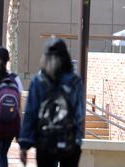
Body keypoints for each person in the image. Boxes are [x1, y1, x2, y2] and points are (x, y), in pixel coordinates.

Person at [19, 39, 84, 167]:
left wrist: (24, 144)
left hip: (45, 142)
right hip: (69, 141)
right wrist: (77, 139)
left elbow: (31, 113)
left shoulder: (38, 81)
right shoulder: (75, 81)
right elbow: (79, 113)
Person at [0, 47, 23, 167]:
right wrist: (19, 127)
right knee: (3, 154)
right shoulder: (15, 79)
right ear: (8, 60)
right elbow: (19, 106)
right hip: (11, 125)